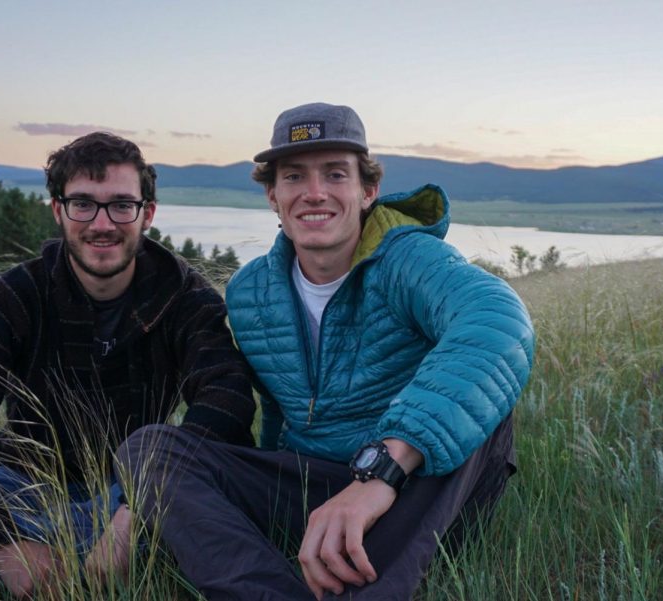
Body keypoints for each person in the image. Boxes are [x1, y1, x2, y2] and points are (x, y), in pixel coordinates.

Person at [118, 103, 535, 599]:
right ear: (273, 195)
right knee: (150, 450)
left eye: (335, 174)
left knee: (480, 413)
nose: (314, 193)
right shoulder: (252, 292)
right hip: (315, 488)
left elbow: (498, 321)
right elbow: (277, 416)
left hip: (411, 493)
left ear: (368, 190)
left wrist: (380, 471)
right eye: (294, 177)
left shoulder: (409, 260)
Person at [0, 132, 256, 597]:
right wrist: (4, 543)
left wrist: (134, 509)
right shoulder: (15, 297)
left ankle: (104, 558)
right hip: (23, 492)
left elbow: (226, 401)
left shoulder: (184, 299)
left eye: (121, 205)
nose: (102, 223)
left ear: (147, 214)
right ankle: (21, 564)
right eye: (83, 203)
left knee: (228, 510)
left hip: (135, 500)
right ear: (58, 210)